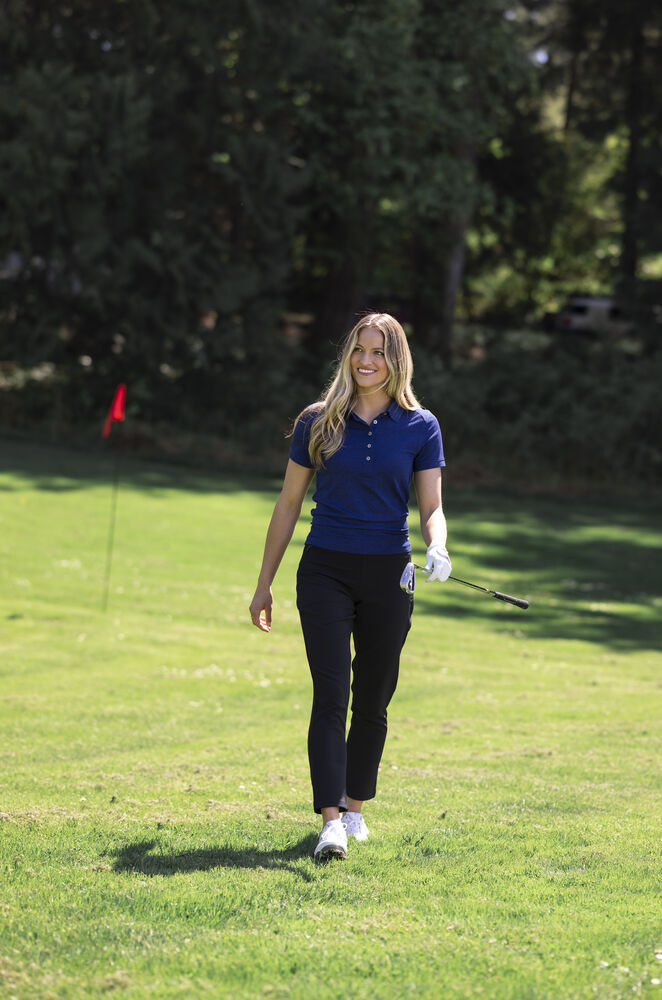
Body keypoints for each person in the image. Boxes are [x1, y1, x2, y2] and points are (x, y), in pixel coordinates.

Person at [249, 313, 451, 861]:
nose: (366, 360)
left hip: (390, 574)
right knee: (331, 692)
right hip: (325, 572)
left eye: (378, 352)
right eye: (360, 349)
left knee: (374, 696)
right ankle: (331, 821)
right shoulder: (317, 421)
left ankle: (356, 807)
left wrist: (437, 545)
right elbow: (289, 503)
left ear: (396, 360)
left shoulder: (420, 426)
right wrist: (264, 583)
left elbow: (431, 506)